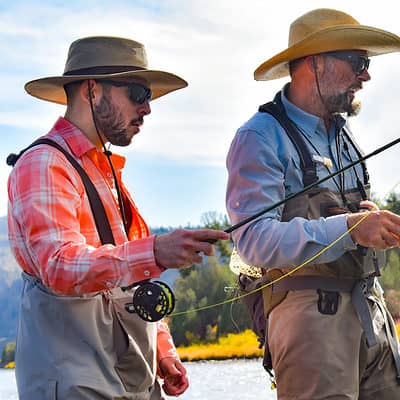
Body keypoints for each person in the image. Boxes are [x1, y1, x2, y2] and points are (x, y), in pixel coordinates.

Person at [7, 35, 229, 400]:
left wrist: (161, 348)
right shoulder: (43, 163)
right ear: (92, 91)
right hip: (76, 383)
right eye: (138, 94)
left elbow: (127, 280)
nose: (148, 109)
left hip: (126, 380)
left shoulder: (104, 170)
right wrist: (155, 252)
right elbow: (60, 266)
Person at [226, 8, 400, 400]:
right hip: (310, 326)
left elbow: (346, 221)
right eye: (357, 62)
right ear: (315, 63)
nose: (366, 75)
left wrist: (369, 221)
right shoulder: (259, 136)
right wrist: (351, 229)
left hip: (371, 317)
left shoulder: (342, 135)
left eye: (366, 63)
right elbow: (252, 241)